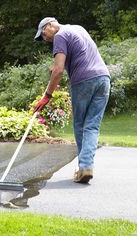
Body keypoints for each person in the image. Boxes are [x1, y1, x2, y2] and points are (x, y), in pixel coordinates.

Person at [34, 17, 110, 184]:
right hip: (103, 79)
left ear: (50, 25)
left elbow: (59, 70)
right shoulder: (78, 27)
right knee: (92, 126)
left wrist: (47, 95)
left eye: (44, 34)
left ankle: (84, 168)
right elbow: (80, 55)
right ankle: (85, 167)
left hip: (83, 82)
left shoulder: (60, 35)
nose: (45, 38)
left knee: (80, 126)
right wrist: (56, 69)